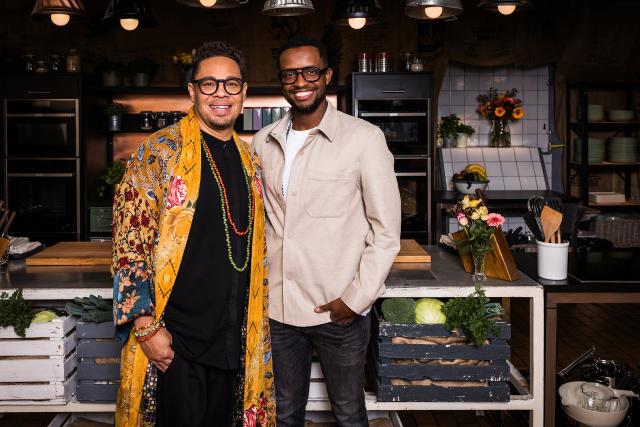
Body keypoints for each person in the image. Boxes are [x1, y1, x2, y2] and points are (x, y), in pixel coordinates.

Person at [112, 42, 274, 427]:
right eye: (209, 84)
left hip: (233, 341)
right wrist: (145, 327)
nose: (221, 94)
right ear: (192, 91)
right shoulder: (158, 153)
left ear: (244, 92)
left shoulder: (251, 161)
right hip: (175, 343)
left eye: (231, 84)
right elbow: (128, 245)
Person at [253, 36, 401, 426]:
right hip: (278, 310)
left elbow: (386, 232)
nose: (300, 81)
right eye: (290, 74)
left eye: (310, 71)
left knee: (348, 411)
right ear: (281, 81)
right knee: (284, 412)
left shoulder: (364, 139)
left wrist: (356, 298)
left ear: (327, 75)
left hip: (339, 310)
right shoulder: (262, 142)